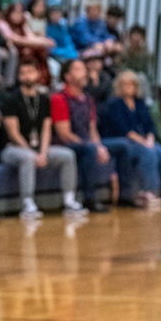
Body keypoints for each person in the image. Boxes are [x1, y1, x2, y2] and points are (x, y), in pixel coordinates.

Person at [0, 56, 86, 220]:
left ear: (38, 75)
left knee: (67, 155)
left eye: (30, 72)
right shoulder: (11, 99)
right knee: (28, 158)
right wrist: (33, 153)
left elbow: (46, 129)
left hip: (39, 147)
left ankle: (69, 200)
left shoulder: (45, 100)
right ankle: (28, 203)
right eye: (23, 73)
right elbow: (13, 133)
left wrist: (43, 152)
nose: (26, 76)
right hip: (14, 148)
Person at [99, 70, 161, 208]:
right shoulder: (114, 104)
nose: (128, 87)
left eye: (131, 84)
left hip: (141, 139)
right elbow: (123, 129)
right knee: (148, 152)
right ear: (119, 86)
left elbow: (149, 125)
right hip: (121, 138)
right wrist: (144, 142)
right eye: (125, 84)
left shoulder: (140, 103)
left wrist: (150, 138)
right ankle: (148, 191)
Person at [50, 58, 111, 212]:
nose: (84, 73)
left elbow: (93, 130)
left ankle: (127, 195)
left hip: (86, 144)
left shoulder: (88, 99)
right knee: (90, 151)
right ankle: (89, 198)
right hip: (64, 144)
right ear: (67, 76)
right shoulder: (59, 98)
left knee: (122, 147)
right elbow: (64, 134)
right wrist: (91, 146)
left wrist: (99, 146)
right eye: (78, 69)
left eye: (84, 69)